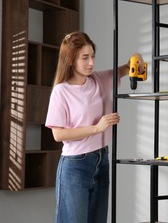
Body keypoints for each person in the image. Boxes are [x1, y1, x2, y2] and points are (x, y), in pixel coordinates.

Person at [45, 31, 145, 223]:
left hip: (102, 160)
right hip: (75, 166)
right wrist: (97, 128)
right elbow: (57, 134)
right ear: (71, 59)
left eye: (93, 56)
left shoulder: (100, 80)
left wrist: (137, 59)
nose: (91, 62)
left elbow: (127, 66)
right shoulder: (61, 91)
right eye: (85, 57)